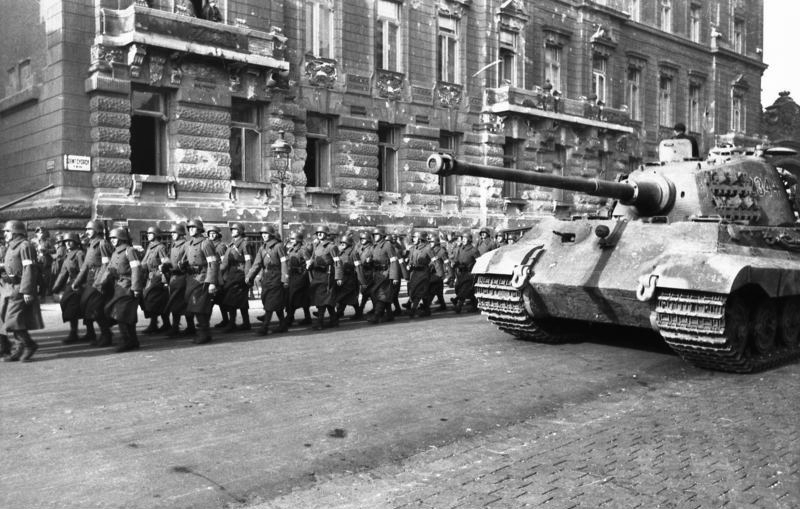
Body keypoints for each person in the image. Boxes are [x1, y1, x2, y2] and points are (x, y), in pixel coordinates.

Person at [1, 220, 44, 362]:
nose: (5, 234)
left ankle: (29, 345)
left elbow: (29, 269)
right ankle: (19, 349)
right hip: (11, 288)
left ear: (15, 231)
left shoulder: (25, 245)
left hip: (20, 288)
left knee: (12, 320)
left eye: (7, 231)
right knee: (12, 320)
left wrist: (27, 291)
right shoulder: (12, 247)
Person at [72, 220, 114, 346]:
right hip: (91, 280)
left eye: (89, 229)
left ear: (97, 230)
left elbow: (107, 265)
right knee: (87, 306)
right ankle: (95, 333)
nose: (87, 232)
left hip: (100, 281)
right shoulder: (90, 245)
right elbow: (84, 266)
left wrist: (100, 282)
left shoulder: (102, 243)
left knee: (97, 309)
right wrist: (77, 282)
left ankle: (106, 335)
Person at [103, 227, 144, 353]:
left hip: (128, 286)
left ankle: (126, 341)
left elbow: (136, 269)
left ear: (121, 238)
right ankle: (133, 340)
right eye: (112, 238)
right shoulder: (116, 253)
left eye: (115, 238)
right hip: (118, 286)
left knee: (121, 315)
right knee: (126, 315)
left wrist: (136, 288)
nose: (113, 240)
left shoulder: (129, 250)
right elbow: (109, 269)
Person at [181, 219, 220, 344]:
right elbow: (186, 260)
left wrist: (212, 282)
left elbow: (213, 263)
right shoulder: (189, 244)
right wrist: (183, 265)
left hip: (203, 278)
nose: (191, 229)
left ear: (199, 229)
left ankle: (203, 334)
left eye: (194, 227)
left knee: (200, 307)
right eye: (189, 227)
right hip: (192, 279)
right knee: (195, 307)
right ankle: (204, 333)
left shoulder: (206, 243)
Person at [246, 225, 289, 335]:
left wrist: (285, 279)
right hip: (266, 277)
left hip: (276, 277)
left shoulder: (278, 246)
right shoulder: (262, 248)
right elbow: (257, 264)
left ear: (271, 235)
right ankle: (283, 324)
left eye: (266, 233)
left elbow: (284, 263)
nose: (263, 236)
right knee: (272, 301)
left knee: (270, 302)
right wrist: (249, 276)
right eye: (262, 234)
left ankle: (264, 327)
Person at [51, 232, 85, 344]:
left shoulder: (79, 254)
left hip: (80, 283)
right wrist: (55, 288)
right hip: (71, 283)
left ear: (76, 242)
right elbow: (62, 273)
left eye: (70, 241)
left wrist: (78, 284)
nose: (68, 243)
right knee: (66, 303)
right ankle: (75, 332)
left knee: (76, 307)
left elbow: (83, 271)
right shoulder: (68, 255)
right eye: (66, 241)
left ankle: (75, 333)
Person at [306, 225, 342, 330]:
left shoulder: (331, 246)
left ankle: (320, 322)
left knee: (322, 299)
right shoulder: (316, 245)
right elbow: (313, 257)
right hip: (318, 276)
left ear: (326, 234)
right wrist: (310, 264)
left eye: (322, 233)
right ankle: (334, 320)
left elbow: (337, 262)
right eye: (318, 233)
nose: (319, 234)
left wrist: (338, 277)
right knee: (327, 299)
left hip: (327, 276)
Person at [162, 223, 194, 337]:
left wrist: (181, 266)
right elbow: (171, 260)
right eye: (171, 233)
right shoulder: (174, 245)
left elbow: (189, 260)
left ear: (180, 233)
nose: (172, 234)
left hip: (182, 278)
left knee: (180, 303)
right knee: (177, 303)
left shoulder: (186, 245)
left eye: (174, 232)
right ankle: (188, 327)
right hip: (174, 278)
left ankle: (179, 328)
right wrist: (166, 266)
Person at [363, 227, 400, 324]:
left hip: (385, 273)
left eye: (377, 235)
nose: (375, 236)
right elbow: (369, 260)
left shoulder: (387, 245)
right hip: (376, 274)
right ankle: (389, 314)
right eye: (374, 235)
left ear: (382, 236)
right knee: (377, 293)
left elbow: (394, 261)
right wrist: (368, 261)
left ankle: (377, 315)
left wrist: (394, 276)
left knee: (382, 294)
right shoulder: (373, 246)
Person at [219, 223, 251, 332]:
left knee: (234, 300)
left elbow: (248, 261)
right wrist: (215, 272)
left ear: (240, 231)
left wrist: (247, 276)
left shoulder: (244, 244)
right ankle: (245, 323)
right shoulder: (231, 244)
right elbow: (224, 263)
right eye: (232, 229)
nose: (232, 231)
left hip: (241, 274)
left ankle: (233, 323)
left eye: (235, 229)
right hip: (232, 275)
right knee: (237, 300)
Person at [140, 226, 171, 334]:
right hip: (150, 277)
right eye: (147, 233)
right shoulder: (150, 247)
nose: (148, 235)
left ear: (156, 235)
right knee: (155, 301)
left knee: (152, 300)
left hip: (158, 277)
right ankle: (164, 323)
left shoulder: (160, 247)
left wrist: (164, 280)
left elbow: (165, 263)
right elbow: (144, 263)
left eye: (150, 233)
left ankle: (154, 324)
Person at [284, 230, 313, 327]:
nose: (291, 240)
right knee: (302, 298)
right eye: (291, 238)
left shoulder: (303, 250)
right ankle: (307, 317)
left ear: (298, 240)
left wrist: (304, 273)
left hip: (301, 277)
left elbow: (309, 262)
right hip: (293, 276)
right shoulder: (291, 249)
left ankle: (290, 317)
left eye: (293, 238)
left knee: (293, 297)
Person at [405, 231, 436, 318]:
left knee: (419, 292)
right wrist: (409, 265)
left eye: (415, 237)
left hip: (423, 274)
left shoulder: (428, 248)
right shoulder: (414, 248)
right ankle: (427, 309)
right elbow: (411, 259)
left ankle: (413, 309)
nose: (413, 239)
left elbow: (434, 261)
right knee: (419, 292)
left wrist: (428, 267)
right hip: (414, 273)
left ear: (420, 239)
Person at [451, 230, 479, 314]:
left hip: (469, 273)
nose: (463, 240)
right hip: (460, 273)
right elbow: (456, 259)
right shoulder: (460, 249)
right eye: (462, 238)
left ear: (469, 240)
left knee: (464, 290)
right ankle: (475, 306)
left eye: (465, 238)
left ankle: (458, 306)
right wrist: (454, 263)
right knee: (466, 290)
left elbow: (479, 261)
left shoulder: (474, 250)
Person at [206, 225, 228, 329]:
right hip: (211, 274)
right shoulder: (208, 244)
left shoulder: (220, 246)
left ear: (218, 234)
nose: (211, 235)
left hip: (219, 277)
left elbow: (224, 262)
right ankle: (225, 320)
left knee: (217, 300)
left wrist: (220, 275)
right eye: (210, 233)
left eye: (214, 233)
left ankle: (206, 322)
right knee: (216, 301)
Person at [334, 233, 360, 319]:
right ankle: (358, 313)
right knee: (350, 297)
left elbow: (358, 266)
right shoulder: (340, 252)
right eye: (341, 243)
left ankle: (338, 313)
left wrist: (360, 279)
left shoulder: (353, 253)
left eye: (343, 243)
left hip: (350, 278)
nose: (341, 245)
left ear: (348, 244)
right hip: (343, 277)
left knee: (343, 296)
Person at [427, 234, 449, 311]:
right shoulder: (430, 250)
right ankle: (443, 306)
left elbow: (447, 263)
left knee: (433, 290)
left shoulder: (442, 251)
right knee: (439, 292)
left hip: (439, 273)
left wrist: (448, 275)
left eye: (432, 241)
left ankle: (426, 305)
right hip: (432, 272)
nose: (430, 243)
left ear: (436, 242)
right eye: (430, 242)